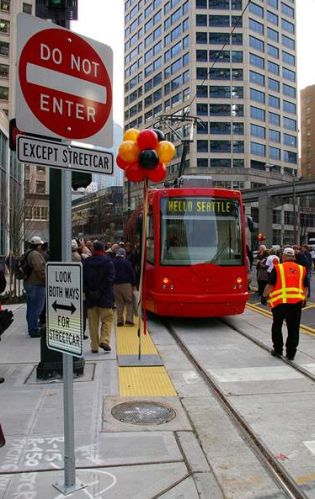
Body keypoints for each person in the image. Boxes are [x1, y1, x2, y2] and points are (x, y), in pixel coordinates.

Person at [262, 246, 309, 361]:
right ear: (293, 257)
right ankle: (291, 353)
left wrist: (264, 296)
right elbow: (306, 287)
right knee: (293, 328)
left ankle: (278, 350)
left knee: (277, 326)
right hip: (296, 303)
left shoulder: (278, 268)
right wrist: (303, 298)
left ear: (283, 256)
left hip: (280, 303)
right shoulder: (302, 269)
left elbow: (269, 285)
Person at [83, 241, 115, 353]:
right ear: (103, 249)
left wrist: (89, 291)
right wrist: (100, 291)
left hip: (91, 299)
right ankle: (104, 341)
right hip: (105, 297)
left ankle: (94, 347)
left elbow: (83, 279)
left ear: (93, 249)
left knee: (93, 323)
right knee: (107, 319)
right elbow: (110, 279)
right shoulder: (108, 262)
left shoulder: (86, 262)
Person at [23, 236, 46, 337]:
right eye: (40, 244)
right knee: (37, 308)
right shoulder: (35, 254)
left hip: (28, 283)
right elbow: (39, 269)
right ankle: (33, 330)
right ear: (37, 245)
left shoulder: (27, 253)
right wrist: (45, 279)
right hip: (36, 284)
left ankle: (31, 328)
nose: (41, 246)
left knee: (31, 308)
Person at [113, 248, 136, 326]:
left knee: (119, 303)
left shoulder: (112, 262)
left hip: (115, 285)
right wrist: (133, 284)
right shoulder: (127, 263)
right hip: (126, 285)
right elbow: (132, 274)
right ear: (124, 254)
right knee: (129, 302)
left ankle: (119, 321)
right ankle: (129, 320)